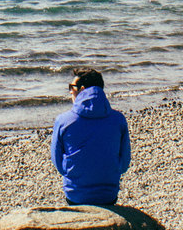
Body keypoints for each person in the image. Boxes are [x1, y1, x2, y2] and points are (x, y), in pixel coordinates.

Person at [51, 68, 131, 207]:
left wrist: (76, 172)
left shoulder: (63, 121)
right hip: (108, 194)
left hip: (76, 195)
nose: (70, 91)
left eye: (72, 87)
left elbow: (58, 162)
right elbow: (124, 163)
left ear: (81, 89)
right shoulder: (118, 119)